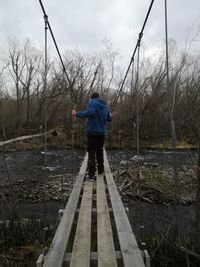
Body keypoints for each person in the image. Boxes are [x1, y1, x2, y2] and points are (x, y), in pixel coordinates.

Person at [72, 92, 115, 179]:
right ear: (99, 97)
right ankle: (100, 170)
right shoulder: (104, 106)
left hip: (92, 132)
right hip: (101, 133)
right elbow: (109, 119)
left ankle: (91, 173)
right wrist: (110, 115)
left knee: (91, 152)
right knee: (100, 151)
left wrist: (76, 114)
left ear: (92, 98)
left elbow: (90, 112)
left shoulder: (92, 103)